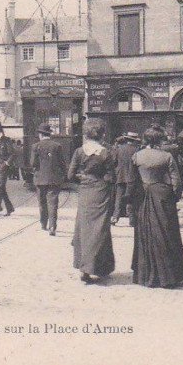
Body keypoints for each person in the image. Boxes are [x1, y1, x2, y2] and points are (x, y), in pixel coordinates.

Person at [131, 127, 183, 288]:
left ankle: (145, 275)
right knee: (166, 232)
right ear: (159, 140)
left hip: (143, 196)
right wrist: (174, 197)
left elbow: (132, 180)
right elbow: (176, 181)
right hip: (162, 196)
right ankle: (168, 276)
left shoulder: (137, 156)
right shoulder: (167, 156)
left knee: (145, 233)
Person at [67, 118, 115, 284]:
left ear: (86, 134)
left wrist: (84, 178)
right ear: (102, 134)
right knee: (100, 229)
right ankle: (100, 267)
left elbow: (70, 176)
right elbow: (110, 176)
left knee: (84, 229)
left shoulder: (79, 152)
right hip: (101, 192)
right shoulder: (106, 153)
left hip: (86, 192)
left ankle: (84, 269)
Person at [31, 123, 67, 236]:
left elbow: (33, 163)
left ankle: (43, 223)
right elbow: (62, 163)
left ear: (40, 135)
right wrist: (62, 175)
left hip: (40, 179)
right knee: (53, 203)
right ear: (49, 134)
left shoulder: (35, 146)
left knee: (42, 202)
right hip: (53, 179)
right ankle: (52, 227)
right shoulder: (57, 146)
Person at [111, 131, 141, 226]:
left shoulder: (119, 149)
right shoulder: (137, 150)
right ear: (134, 140)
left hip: (120, 176)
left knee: (118, 198)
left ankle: (115, 217)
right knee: (131, 198)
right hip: (133, 177)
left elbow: (113, 161)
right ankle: (132, 219)